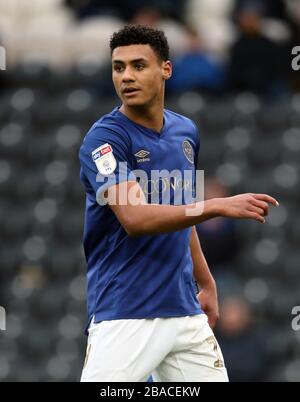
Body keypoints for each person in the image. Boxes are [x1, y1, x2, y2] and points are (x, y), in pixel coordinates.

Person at [79, 24, 279, 382]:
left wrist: (206, 281)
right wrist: (216, 206)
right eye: (118, 67)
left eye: (138, 65)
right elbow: (136, 219)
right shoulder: (104, 139)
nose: (126, 76)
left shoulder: (185, 132)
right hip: (126, 312)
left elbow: (180, 213)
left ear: (166, 70)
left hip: (184, 312)